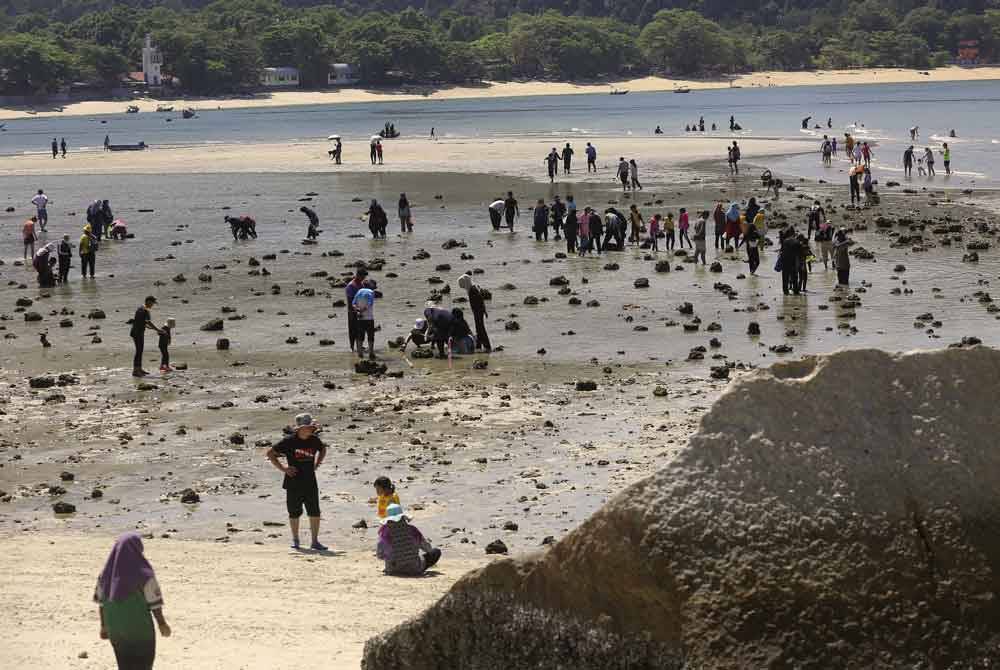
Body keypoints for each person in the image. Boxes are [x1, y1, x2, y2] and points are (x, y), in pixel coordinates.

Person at [94, 533, 171, 670]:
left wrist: (103, 626)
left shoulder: (105, 575)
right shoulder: (145, 574)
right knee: (143, 664)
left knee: (124, 664)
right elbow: (155, 604)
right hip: (139, 629)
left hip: (115, 629)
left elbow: (101, 603)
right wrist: (162, 624)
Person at [266, 413, 328, 551]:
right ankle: (296, 540)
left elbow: (323, 449)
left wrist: (317, 463)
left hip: (311, 482)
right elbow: (270, 453)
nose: (310, 429)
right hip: (293, 482)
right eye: (307, 427)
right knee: (294, 512)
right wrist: (284, 468)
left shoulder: (314, 440)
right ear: (300, 428)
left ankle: (315, 541)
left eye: (311, 427)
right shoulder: (289, 441)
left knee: (315, 512)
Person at [377, 503, 441, 576]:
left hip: (392, 569)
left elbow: (380, 555)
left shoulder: (385, 534)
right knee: (436, 552)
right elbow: (427, 549)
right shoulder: (412, 530)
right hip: (414, 568)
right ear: (403, 517)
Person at [457, 274, 491, 352]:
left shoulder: (472, 290)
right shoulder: (473, 288)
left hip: (478, 311)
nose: (462, 287)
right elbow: (481, 300)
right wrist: (484, 311)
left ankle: (487, 346)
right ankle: (478, 346)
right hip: (478, 311)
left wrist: (483, 311)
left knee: (480, 329)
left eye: (462, 285)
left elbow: (479, 300)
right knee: (478, 329)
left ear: (465, 283)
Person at [130, 296, 160, 377]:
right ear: (148, 301)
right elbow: (148, 322)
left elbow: (141, 321)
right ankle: (136, 371)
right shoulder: (145, 310)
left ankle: (139, 369)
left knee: (139, 351)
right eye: (152, 303)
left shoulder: (140, 308)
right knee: (139, 351)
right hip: (138, 333)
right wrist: (158, 330)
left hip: (135, 331)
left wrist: (150, 328)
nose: (152, 305)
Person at [353, 279, 377, 359]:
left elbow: (353, 303)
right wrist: (363, 310)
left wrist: (358, 310)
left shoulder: (359, 291)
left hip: (360, 318)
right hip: (369, 318)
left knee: (360, 337)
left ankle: (360, 354)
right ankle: (371, 353)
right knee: (370, 336)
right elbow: (370, 303)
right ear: (370, 286)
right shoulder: (371, 292)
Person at [345, 269, 367, 353]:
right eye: (362, 276)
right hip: (352, 311)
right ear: (358, 275)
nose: (364, 278)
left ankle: (360, 345)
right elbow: (350, 300)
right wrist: (355, 311)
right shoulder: (351, 286)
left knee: (360, 329)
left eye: (364, 276)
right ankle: (351, 347)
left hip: (361, 310)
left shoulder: (361, 284)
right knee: (352, 329)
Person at [778, 229, 801, 295]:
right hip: (793, 262)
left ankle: (785, 292)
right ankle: (796, 291)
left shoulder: (785, 241)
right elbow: (799, 253)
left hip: (785, 262)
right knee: (794, 278)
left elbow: (781, 251)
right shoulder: (796, 242)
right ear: (793, 234)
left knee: (785, 278)